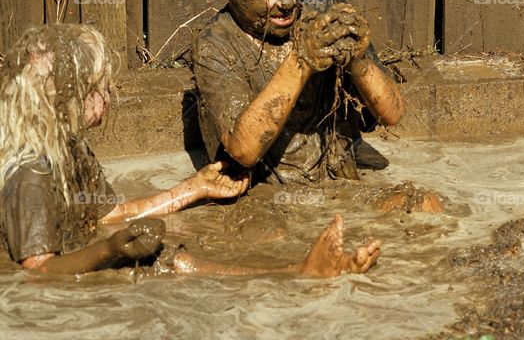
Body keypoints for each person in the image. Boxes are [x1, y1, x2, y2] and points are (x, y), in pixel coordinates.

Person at [0, 24, 380, 276]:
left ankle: (296, 272)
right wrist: (110, 251)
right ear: (69, 99)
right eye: (100, 88)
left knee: (177, 257)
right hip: (62, 280)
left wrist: (194, 188)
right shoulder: (31, 171)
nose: (110, 96)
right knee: (172, 262)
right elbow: (39, 275)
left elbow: (112, 214)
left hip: (79, 257)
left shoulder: (69, 147)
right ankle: (298, 274)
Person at [193, 0, 404, 185]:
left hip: (339, 183)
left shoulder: (325, 16)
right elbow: (243, 150)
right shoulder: (215, 46)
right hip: (265, 198)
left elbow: (392, 115)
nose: (287, 1)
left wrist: (358, 59)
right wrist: (302, 60)